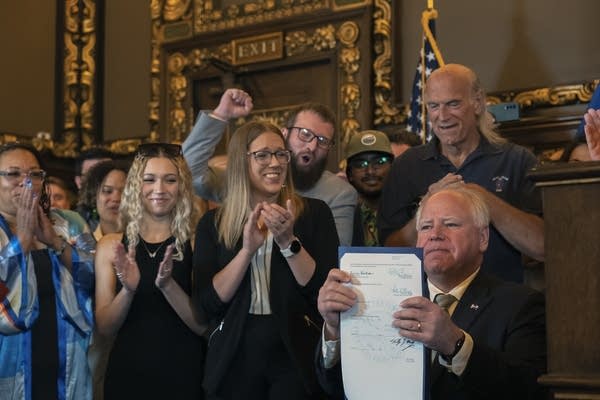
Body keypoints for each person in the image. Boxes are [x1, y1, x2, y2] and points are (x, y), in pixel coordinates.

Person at [317, 184, 547, 399]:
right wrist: (336, 329)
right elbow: (334, 387)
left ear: (483, 238)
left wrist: (456, 345)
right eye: (426, 226)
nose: (435, 234)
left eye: (451, 224)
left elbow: (529, 390)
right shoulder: (380, 298)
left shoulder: (521, 305)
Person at [193, 121, 339, 399]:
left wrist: (288, 243)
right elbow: (206, 305)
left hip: (296, 353)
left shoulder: (315, 214)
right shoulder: (213, 224)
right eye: (262, 155)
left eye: (281, 153)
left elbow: (323, 294)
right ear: (241, 162)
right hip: (235, 353)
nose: (274, 162)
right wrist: (247, 251)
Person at [378, 63, 544, 283]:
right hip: (427, 304)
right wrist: (426, 206)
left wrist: (481, 198)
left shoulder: (517, 160)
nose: (442, 116)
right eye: (434, 106)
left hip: (500, 306)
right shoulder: (406, 166)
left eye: (453, 104)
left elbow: (543, 247)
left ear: (477, 103)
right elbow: (390, 253)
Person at [94, 143, 205, 399]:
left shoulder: (197, 243)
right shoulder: (111, 245)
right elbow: (105, 327)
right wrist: (128, 291)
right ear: (136, 186)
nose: (159, 189)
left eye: (170, 180)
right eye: (149, 180)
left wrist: (168, 286)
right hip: (127, 374)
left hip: (184, 374)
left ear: (182, 187)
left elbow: (203, 327)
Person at [182, 89, 358, 246]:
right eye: (305, 134)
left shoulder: (338, 193)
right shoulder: (244, 180)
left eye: (323, 141)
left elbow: (333, 256)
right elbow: (187, 172)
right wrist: (222, 114)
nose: (312, 147)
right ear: (284, 133)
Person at [0, 142, 95, 400]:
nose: (26, 182)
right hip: (9, 363)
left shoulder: (71, 222)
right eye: (13, 173)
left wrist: (54, 241)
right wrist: (21, 239)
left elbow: (96, 277)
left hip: (68, 358)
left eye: (34, 174)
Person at [344, 130, 393, 246]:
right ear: (349, 174)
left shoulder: (408, 212)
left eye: (379, 162)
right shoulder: (343, 214)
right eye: (361, 164)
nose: (370, 171)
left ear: (393, 167)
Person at [77, 160, 129, 241]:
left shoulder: (146, 243)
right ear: (93, 196)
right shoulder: (82, 245)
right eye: (108, 191)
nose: (116, 199)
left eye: (124, 192)